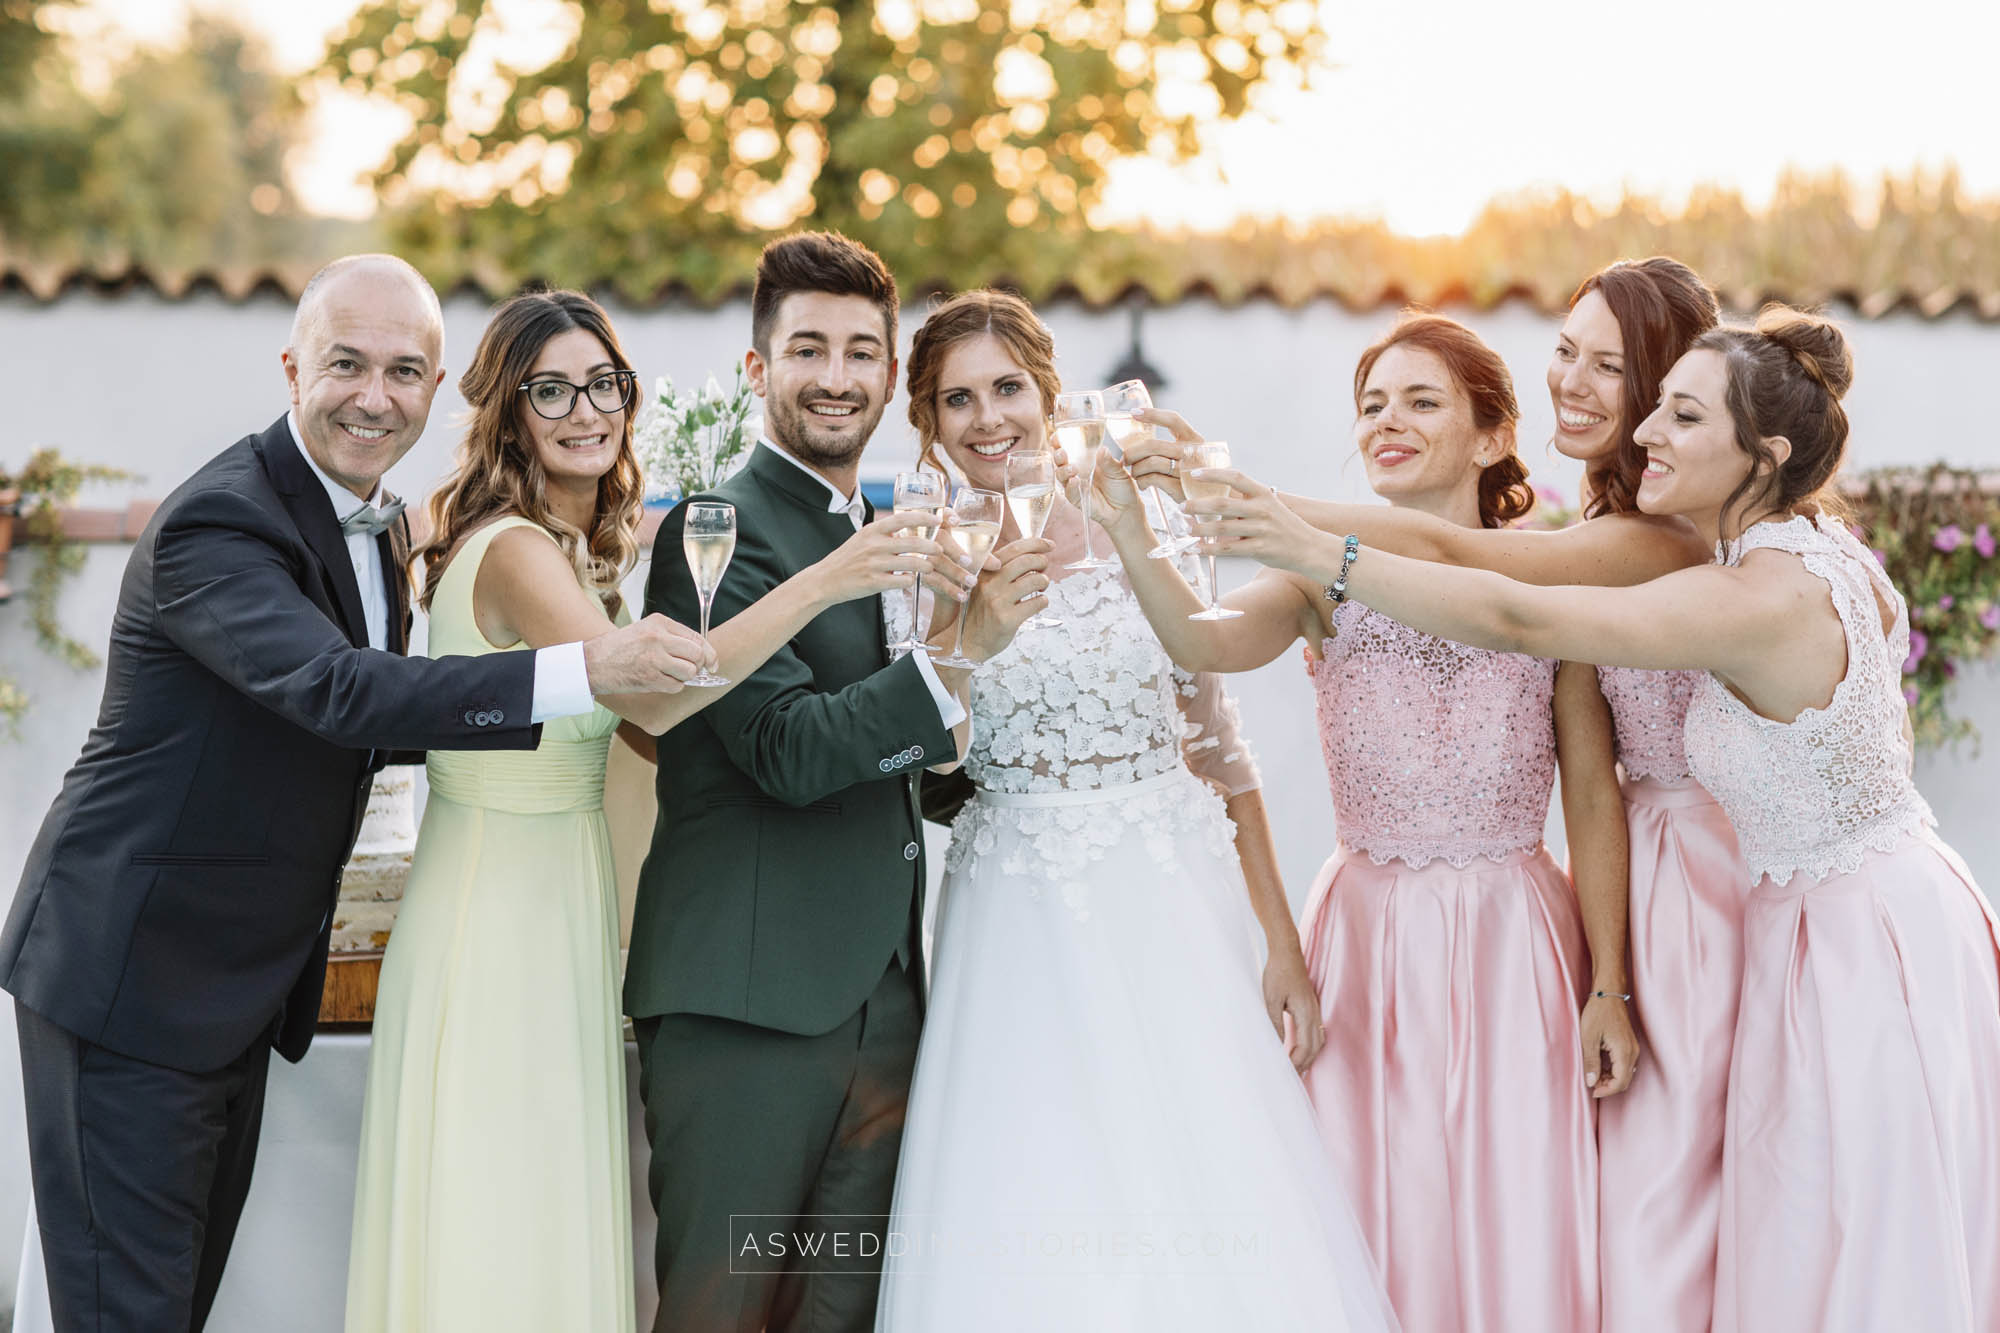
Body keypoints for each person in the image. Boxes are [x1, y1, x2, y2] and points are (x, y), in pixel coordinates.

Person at [1191, 306, 2000, 1333]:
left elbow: (1516, 611)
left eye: (1676, 412)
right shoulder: (1780, 549)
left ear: (1765, 454)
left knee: (1866, 1232)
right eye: (1652, 406)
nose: (1645, 430)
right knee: (1804, 1226)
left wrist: (1313, 548)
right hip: (1830, 915)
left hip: (1860, 937)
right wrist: (1268, 518)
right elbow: (1457, 549)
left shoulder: (1751, 589)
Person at [0, 255, 707, 1331]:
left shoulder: (378, 526)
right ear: (291, 368)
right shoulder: (221, 523)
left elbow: (378, 729)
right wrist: (585, 671)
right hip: (132, 977)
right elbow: (339, 692)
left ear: (435, 392)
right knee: (125, 1311)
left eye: (404, 371)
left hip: (228, 988)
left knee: (171, 1303)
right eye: (345, 365)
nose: (374, 396)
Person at [1134, 257, 1743, 1328]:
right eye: (1370, 403)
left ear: (1490, 433)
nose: (1388, 420)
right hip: (1365, 929)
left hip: (1514, 929)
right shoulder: (1317, 579)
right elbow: (1204, 641)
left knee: (1517, 1187)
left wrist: (1606, 978)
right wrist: (1133, 525)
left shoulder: (1546, 572)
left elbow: (1588, 791)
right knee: (1370, 1188)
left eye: (1421, 400)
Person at [343, 290, 952, 1331]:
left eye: (605, 384)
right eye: (550, 390)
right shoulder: (517, 551)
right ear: (506, 410)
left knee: (552, 1218)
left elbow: (653, 732)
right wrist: (822, 584)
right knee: (503, 1222)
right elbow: (662, 699)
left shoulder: (580, 557)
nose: (586, 410)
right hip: (500, 916)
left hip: (566, 905)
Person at [873, 289, 1398, 1332]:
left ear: (1048, 390)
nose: (987, 420)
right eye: (955, 400)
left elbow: (1220, 748)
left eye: (1007, 389)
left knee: (1206, 1170)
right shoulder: (919, 557)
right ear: (926, 424)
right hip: (1013, 906)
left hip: (1170, 891)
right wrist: (963, 626)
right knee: (1033, 1179)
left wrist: (1279, 944)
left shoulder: (1140, 520)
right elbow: (929, 754)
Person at [623, 232, 1012, 1333]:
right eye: (807, 349)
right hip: (746, 1009)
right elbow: (787, 750)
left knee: (842, 1319)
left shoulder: (885, 533)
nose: (836, 376)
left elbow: (906, 767)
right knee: (720, 1313)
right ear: (758, 369)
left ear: (892, 378)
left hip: (883, 1006)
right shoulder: (714, 533)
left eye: (860, 352)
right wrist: (956, 652)